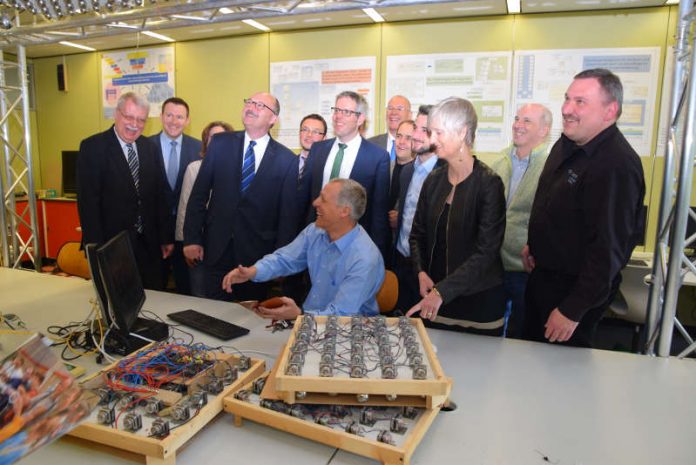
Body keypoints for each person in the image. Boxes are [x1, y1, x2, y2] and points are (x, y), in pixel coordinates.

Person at [522, 68, 645, 347]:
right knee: (528, 368)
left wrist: (571, 310)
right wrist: (534, 244)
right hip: (542, 279)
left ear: (609, 111)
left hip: (571, 297)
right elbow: (550, 202)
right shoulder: (566, 144)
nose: (567, 109)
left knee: (561, 380)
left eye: (580, 102)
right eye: (567, 99)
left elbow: (609, 251)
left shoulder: (617, 165)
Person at [183, 92, 301, 302]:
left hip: (256, 259)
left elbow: (287, 216)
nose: (251, 107)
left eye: (260, 105)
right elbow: (199, 194)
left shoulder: (287, 160)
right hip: (215, 249)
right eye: (250, 102)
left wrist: (281, 261)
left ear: (273, 119)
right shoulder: (220, 143)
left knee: (250, 318)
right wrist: (191, 239)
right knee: (213, 315)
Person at [406, 97, 506, 335]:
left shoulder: (488, 183)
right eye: (431, 132)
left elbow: (486, 253)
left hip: (477, 304)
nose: (431, 140)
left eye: (438, 133)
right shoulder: (433, 180)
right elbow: (416, 234)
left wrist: (443, 292)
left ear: (462, 132)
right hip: (434, 302)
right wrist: (420, 271)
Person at [222, 178, 384, 319]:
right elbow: (284, 259)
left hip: (350, 334)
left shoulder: (364, 258)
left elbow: (341, 315)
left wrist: (299, 316)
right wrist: (252, 272)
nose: (315, 203)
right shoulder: (315, 231)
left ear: (344, 211)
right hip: (310, 319)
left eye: (323, 199)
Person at [77, 92, 172, 290]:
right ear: (116, 114)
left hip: (148, 245)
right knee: (119, 303)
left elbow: (159, 195)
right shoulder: (93, 147)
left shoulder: (149, 148)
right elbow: (88, 204)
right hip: (111, 245)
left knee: (154, 298)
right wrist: (95, 248)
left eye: (141, 120)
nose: (134, 124)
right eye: (129, 117)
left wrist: (165, 237)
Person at [302, 91, 390, 259]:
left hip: (353, 246)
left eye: (346, 112)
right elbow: (304, 198)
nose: (338, 117)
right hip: (315, 239)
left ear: (360, 119)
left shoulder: (377, 158)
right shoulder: (318, 149)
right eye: (336, 110)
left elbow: (378, 213)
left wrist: (377, 255)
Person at [490, 103, 552, 338]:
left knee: (521, 337)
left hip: (525, 271)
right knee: (492, 333)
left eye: (527, 121)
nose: (518, 125)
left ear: (544, 131)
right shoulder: (499, 164)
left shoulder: (550, 169)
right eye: (517, 119)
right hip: (493, 267)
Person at [150, 97, 202, 295]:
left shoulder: (198, 149)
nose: (173, 121)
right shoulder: (146, 146)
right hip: (154, 231)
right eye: (169, 115)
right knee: (155, 286)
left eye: (179, 116)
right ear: (161, 116)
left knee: (187, 287)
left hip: (186, 231)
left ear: (187, 120)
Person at [392, 105, 442, 311]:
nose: (417, 136)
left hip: (429, 273)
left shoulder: (446, 176)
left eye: (425, 131)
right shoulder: (406, 172)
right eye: (416, 128)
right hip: (401, 264)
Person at [176, 120, 233, 297]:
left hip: (227, 246)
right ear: (206, 142)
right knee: (201, 296)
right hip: (200, 244)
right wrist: (187, 242)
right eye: (212, 138)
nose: (217, 141)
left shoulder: (236, 170)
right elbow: (185, 207)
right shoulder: (195, 168)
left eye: (221, 137)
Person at [298, 114, 327, 182]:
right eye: (305, 130)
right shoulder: (289, 162)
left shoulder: (328, 166)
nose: (309, 135)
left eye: (315, 132)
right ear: (299, 133)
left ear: (324, 138)